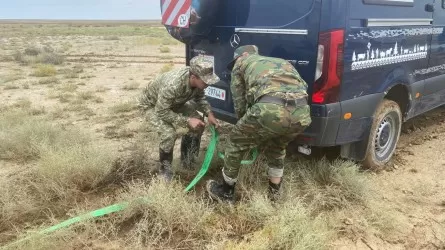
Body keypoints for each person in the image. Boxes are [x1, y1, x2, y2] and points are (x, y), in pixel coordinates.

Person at [206, 45, 312, 203]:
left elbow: (239, 102)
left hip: (269, 109)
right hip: (302, 113)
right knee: (277, 148)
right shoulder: (282, 62)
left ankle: (226, 192)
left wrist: (246, 127)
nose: (235, 63)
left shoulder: (241, 63)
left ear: (243, 55)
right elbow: (303, 86)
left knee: (235, 142)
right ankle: (274, 195)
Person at [138, 55, 220, 181]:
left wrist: (209, 113)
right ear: (193, 77)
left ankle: (188, 161)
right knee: (168, 133)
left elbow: (200, 97)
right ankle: (165, 170)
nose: (208, 84)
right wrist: (186, 121)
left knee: (198, 124)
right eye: (205, 82)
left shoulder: (197, 82)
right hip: (152, 105)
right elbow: (161, 111)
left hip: (174, 103)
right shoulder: (173, 85)